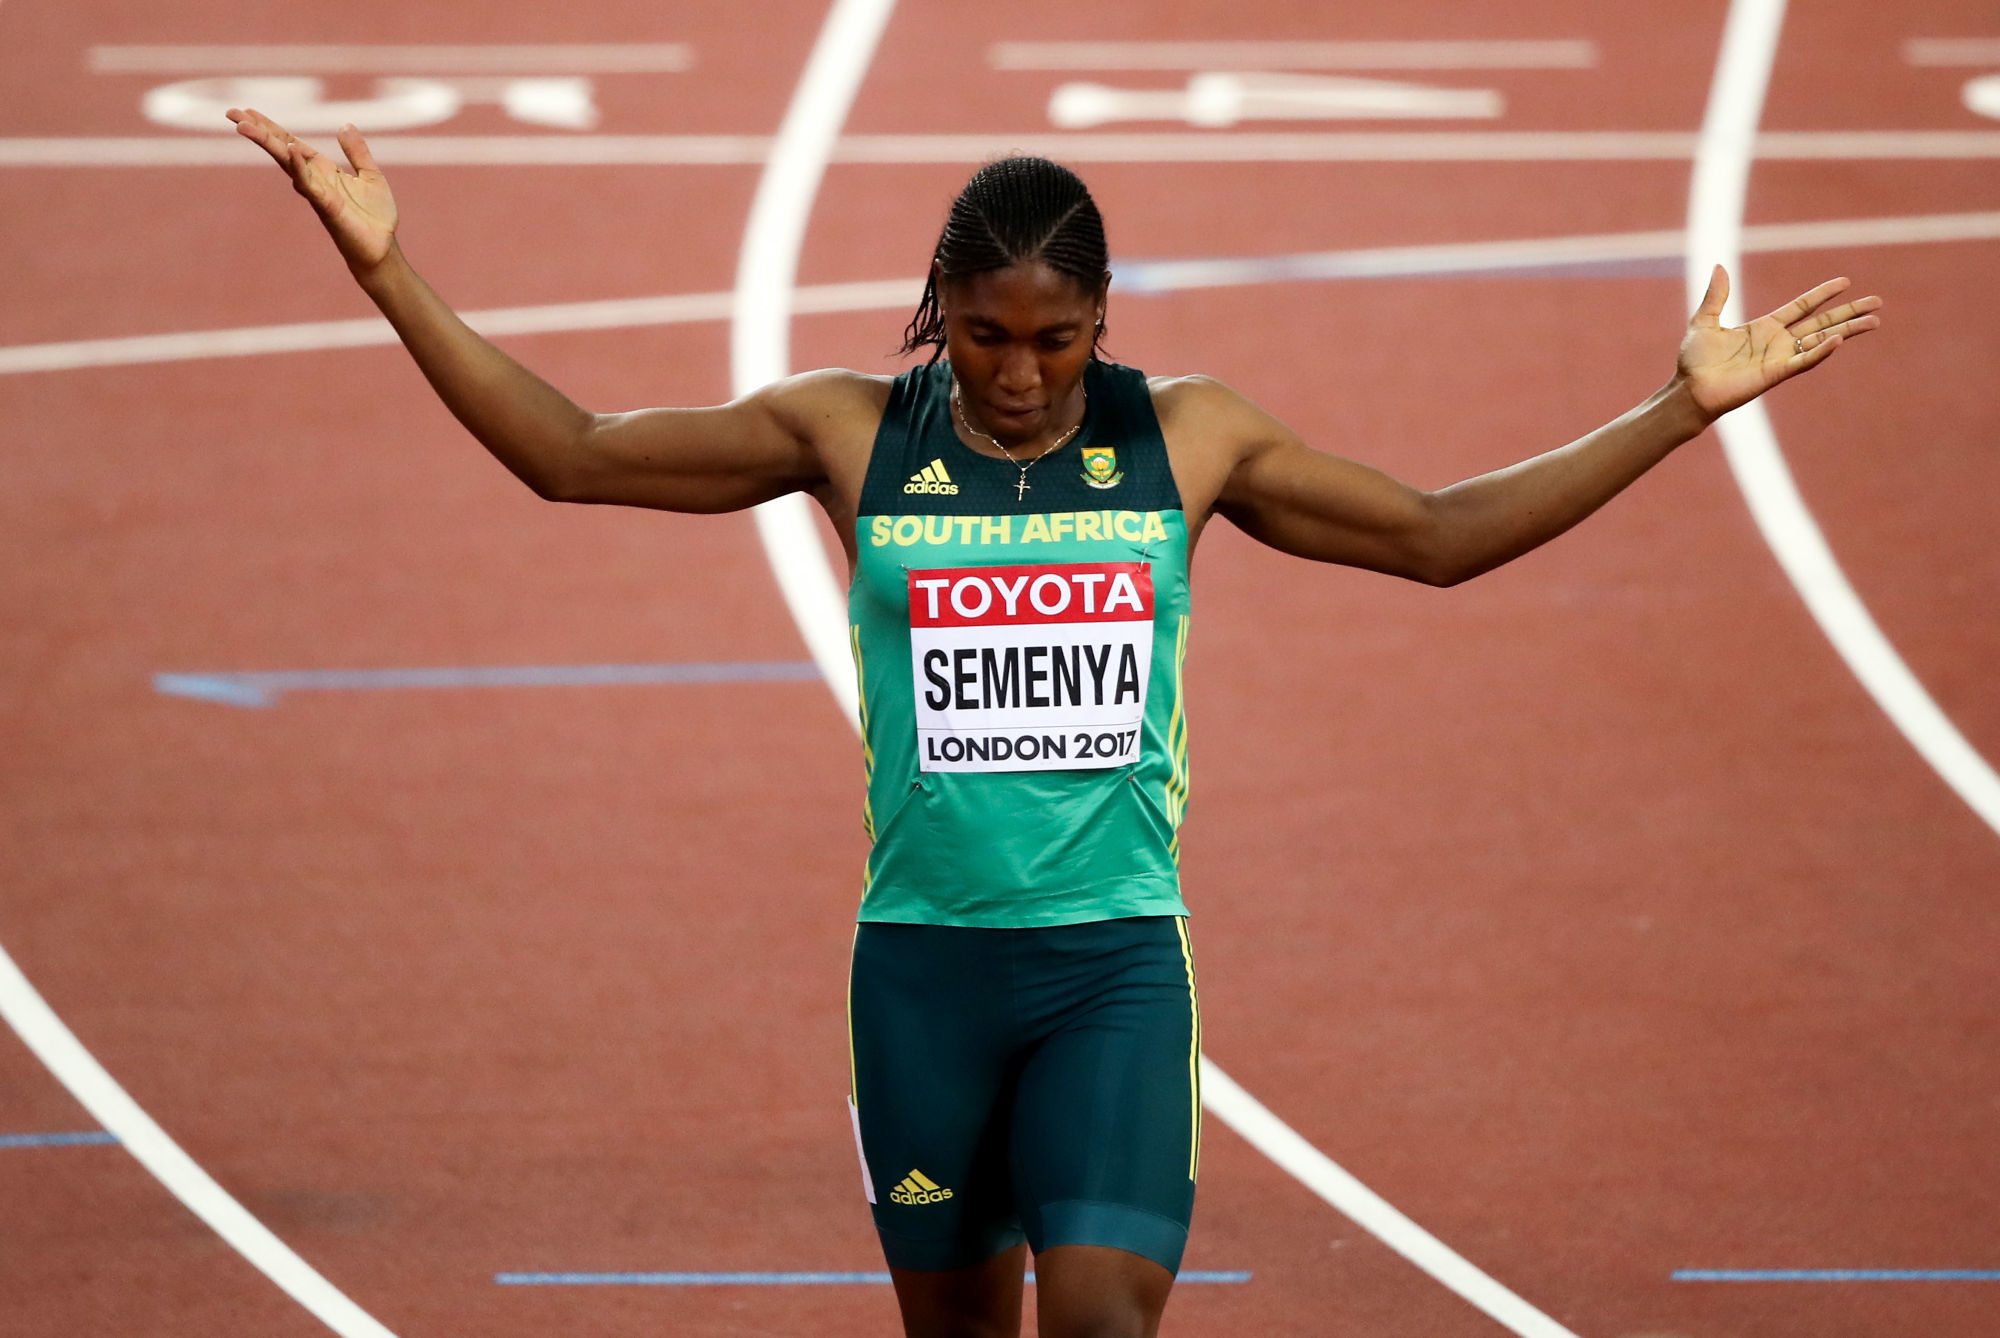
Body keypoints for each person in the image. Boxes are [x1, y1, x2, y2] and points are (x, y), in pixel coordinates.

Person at [225, 109, 1880, 1338]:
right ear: (936, 305)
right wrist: (388, 265)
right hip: (924, 972)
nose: (1019, 375)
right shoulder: (849, 436)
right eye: (986, 335)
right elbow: (570, 449)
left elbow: (1436, 533)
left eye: (1059, 339)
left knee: (1098, 1317)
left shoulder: (1192, 442)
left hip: (1110, 966)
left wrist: (1678, 413)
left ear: (1108, 317)